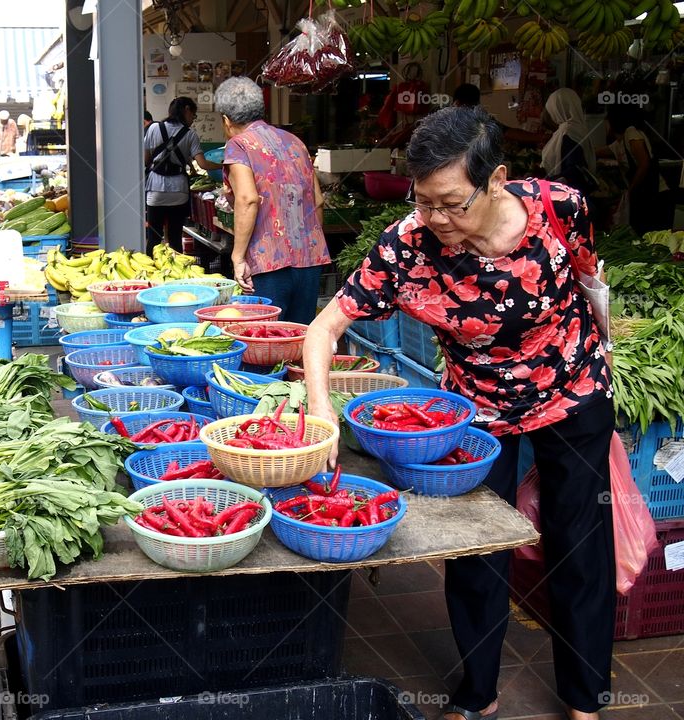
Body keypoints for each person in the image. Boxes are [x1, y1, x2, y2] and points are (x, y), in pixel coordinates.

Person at [303, 106, 614, 720]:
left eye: (452, 203)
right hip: (473, 411)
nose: (437, 219)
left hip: (572, 391)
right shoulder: (406, 245)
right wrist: (321, 410)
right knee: (476, 550)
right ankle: (479, 693)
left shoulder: (560, 207)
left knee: (578, 543)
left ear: (496, 179)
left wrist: (604, 352)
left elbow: (587, 279)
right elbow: (324, 329)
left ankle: (587, 698)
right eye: (424, 202)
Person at [214, 77, 330, 324]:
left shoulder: (238, 146)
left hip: (268, 264)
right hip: (310, 261)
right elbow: (317, 200)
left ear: (226, 119)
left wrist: (238, 257)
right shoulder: (295, 142)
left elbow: (247, 200)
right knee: (298, 339)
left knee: (266, 342)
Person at [143, 96, 222, 254]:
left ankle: (150, 273)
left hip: (155, 190)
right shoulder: (190, 135)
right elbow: (203, 164)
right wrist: (224, 165)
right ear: (186, 110)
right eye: (193, 115)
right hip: (179, 192)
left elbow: (146, 160)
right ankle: (177, 274)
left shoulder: (153, 128)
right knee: (174, 237)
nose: (193, 119)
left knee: (154, 238)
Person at [598, 104, 674, 233]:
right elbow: (595, 152)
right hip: (647, 198)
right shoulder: (618, 144)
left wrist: (631, 189)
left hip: (656, 197)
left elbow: (644, 163)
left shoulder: (631, 133)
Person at [541, 88, 598, 197]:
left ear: (558, 108)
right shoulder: (579, 128)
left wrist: (545, 181)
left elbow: (574, 170)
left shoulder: (568, 132)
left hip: (567, 195)